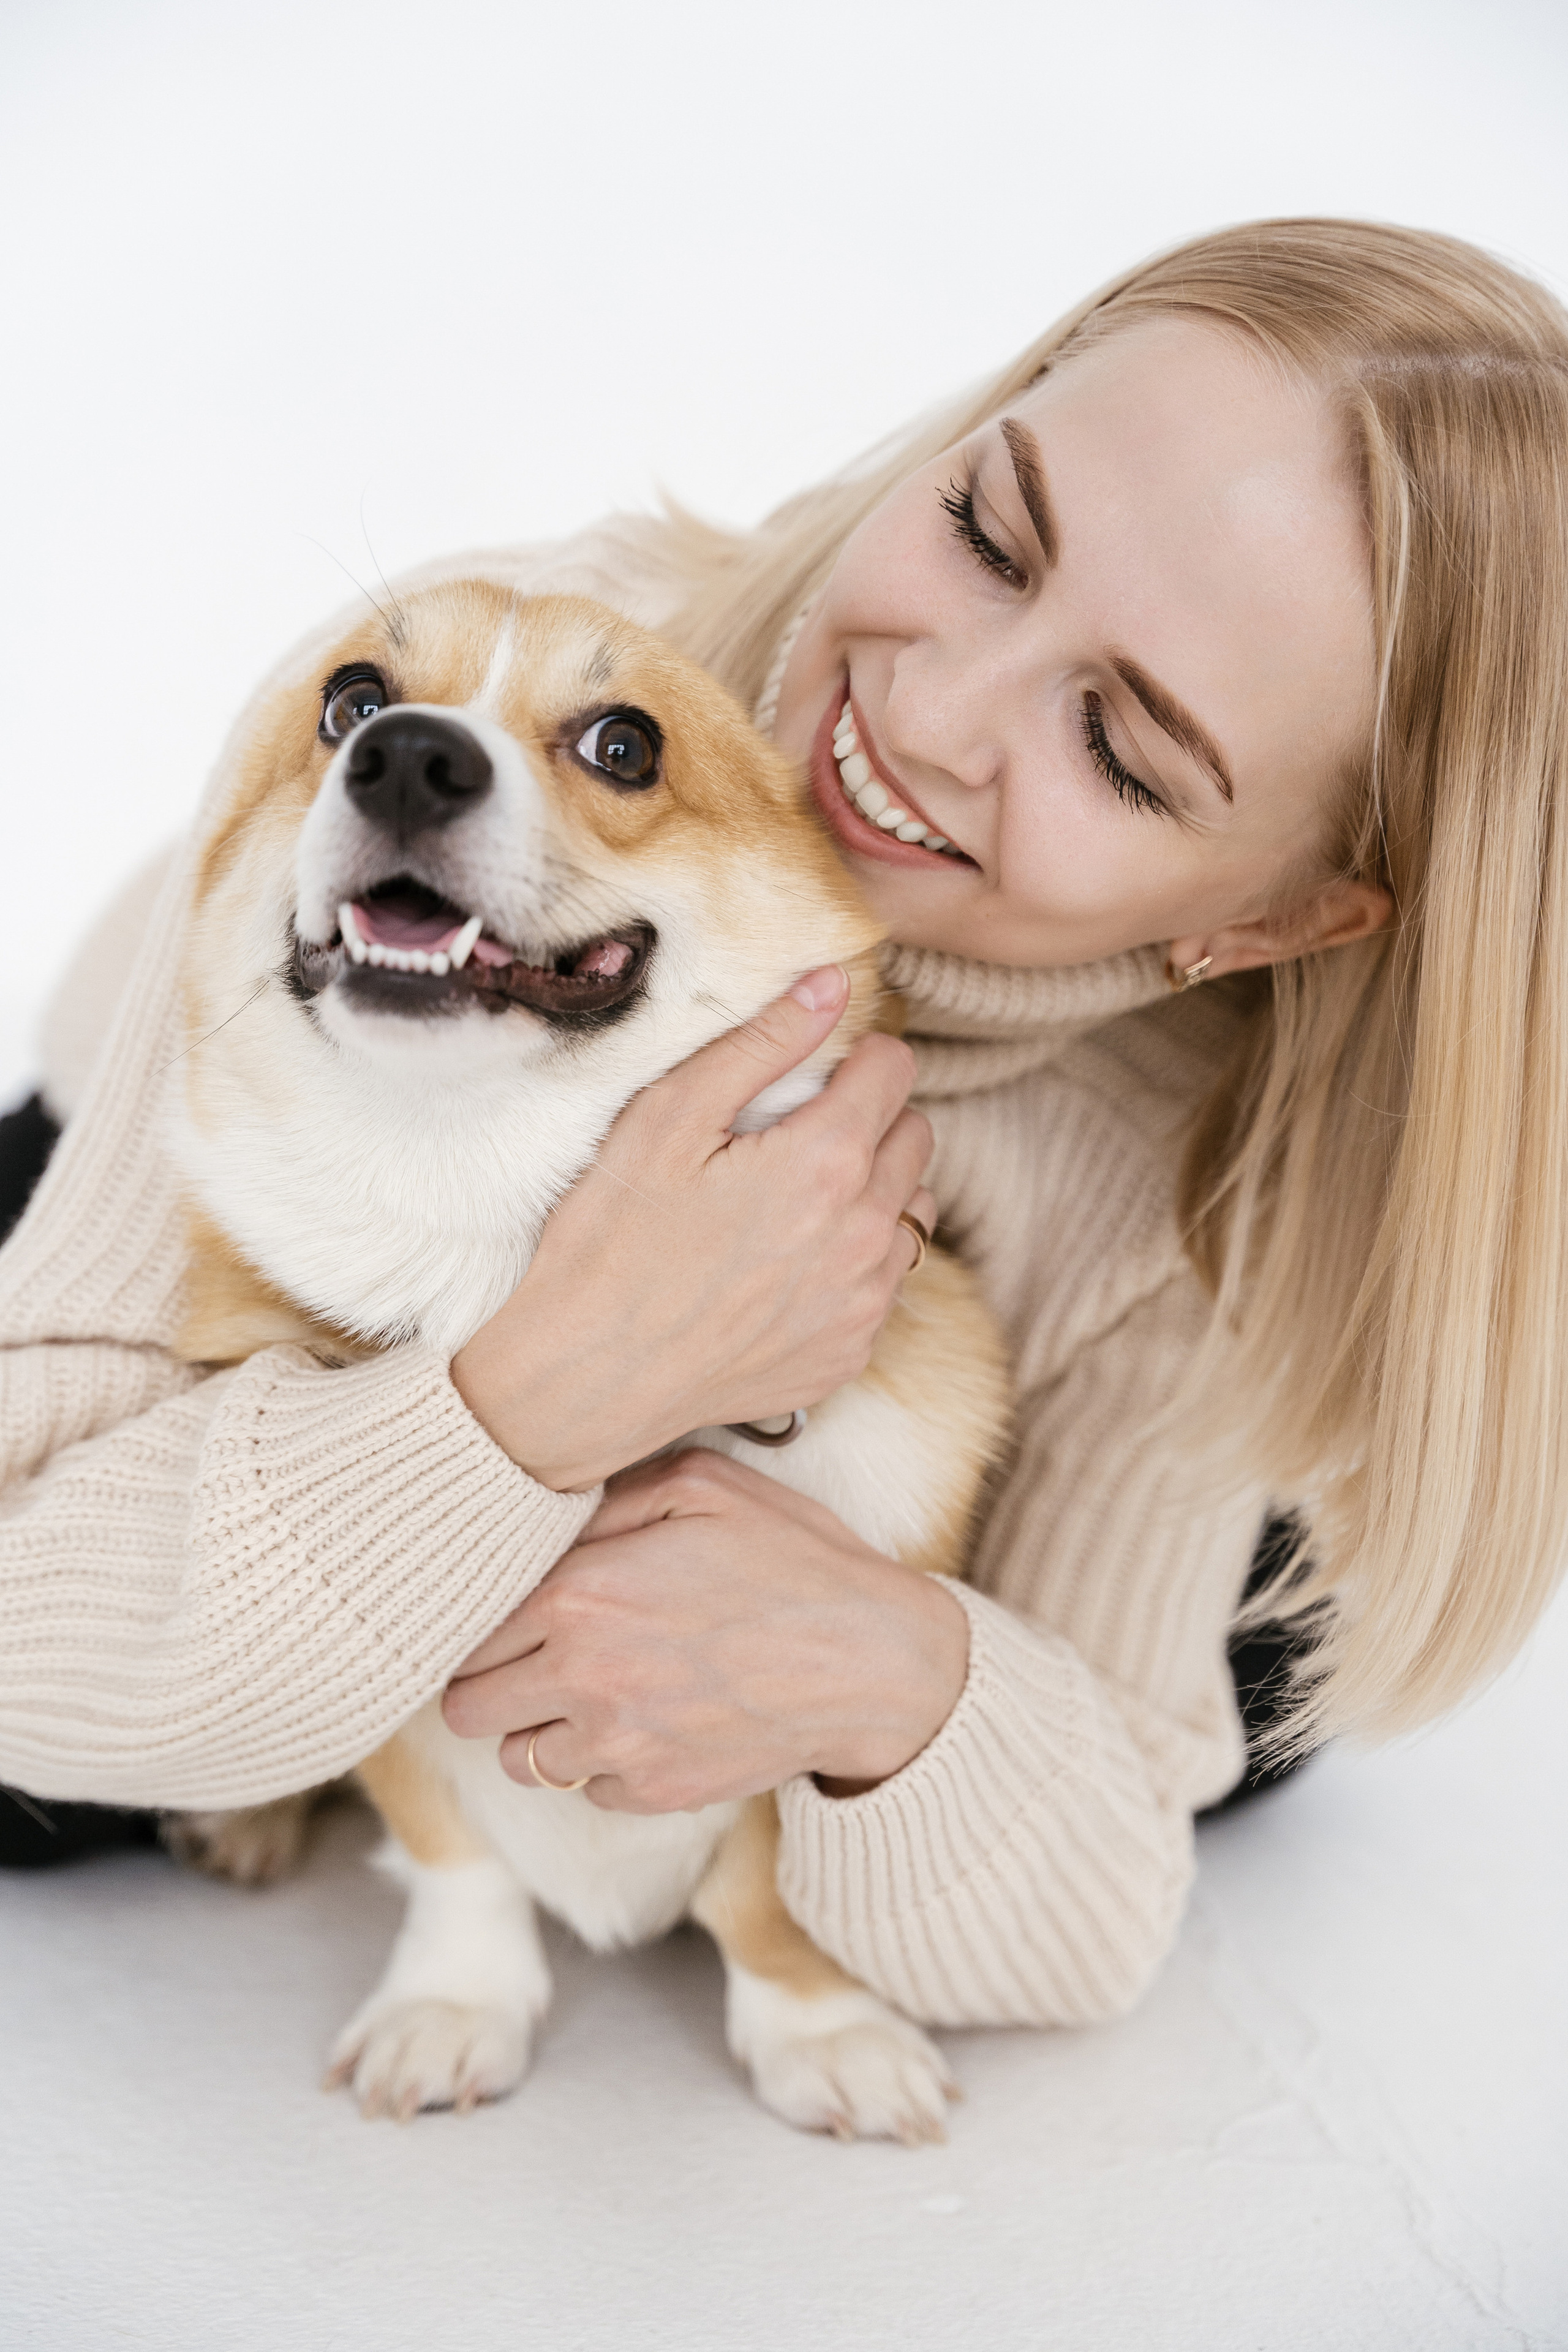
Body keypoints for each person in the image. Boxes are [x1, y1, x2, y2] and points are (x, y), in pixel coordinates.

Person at [2, 219, 1564, 2030]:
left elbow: (1086, 1926)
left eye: (1120, 748)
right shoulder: (457, 668)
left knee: (1260, 1680)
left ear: (1277, 919)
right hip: (151, 1181)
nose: (926, 708)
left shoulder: (1202, 1188)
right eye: (988, 530)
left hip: (1026, 1391)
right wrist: (553, 1395)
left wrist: (890, 1679)